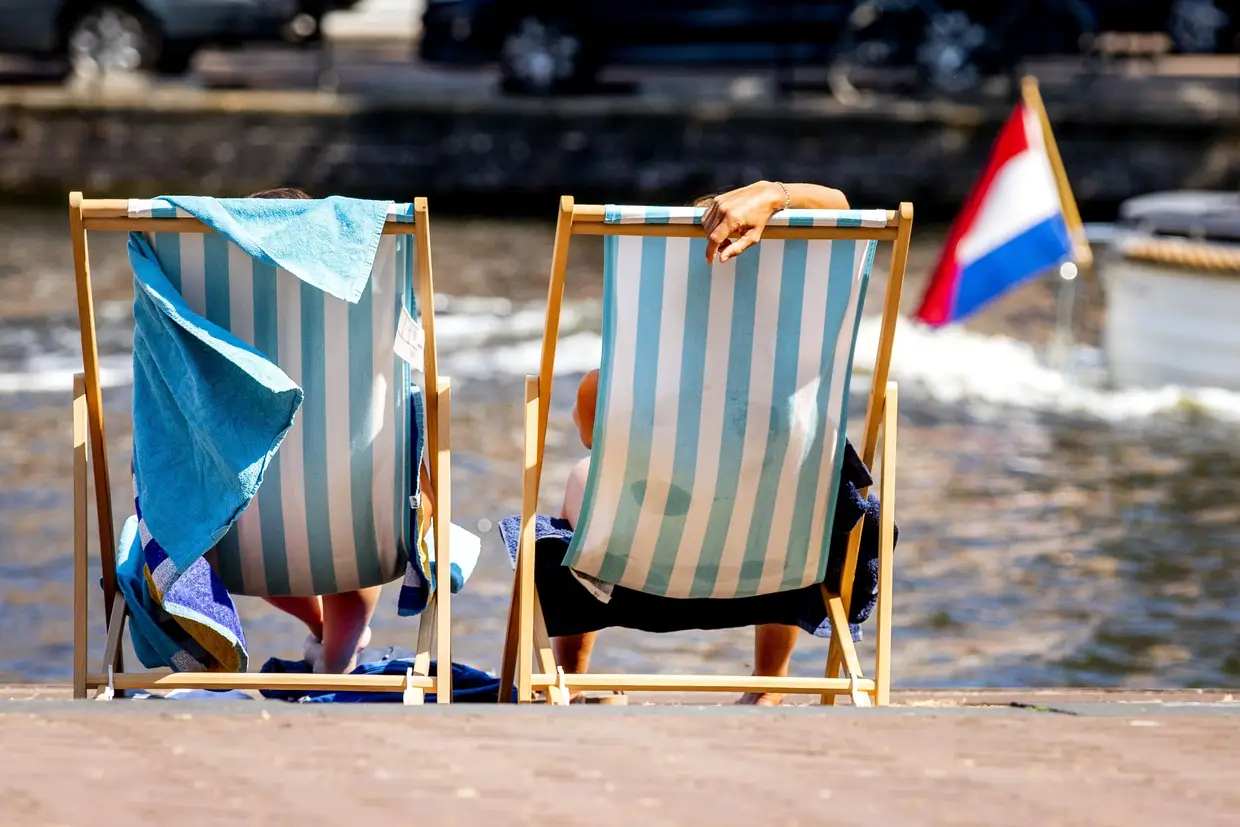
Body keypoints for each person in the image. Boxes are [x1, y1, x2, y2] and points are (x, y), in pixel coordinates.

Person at [553, 180, 852, 705]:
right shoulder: (798, 385)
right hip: (779, 553)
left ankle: (571, 680)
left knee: (586, 476)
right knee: (797, 478)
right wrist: (775, 195)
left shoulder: (620, 383)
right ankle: (769, 683)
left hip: (647, 547)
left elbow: (592, 436)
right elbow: (843, 210)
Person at [232, 186, 436, 674]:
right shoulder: (363, 307)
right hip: (357, 496)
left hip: (239, 507)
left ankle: (328, 641)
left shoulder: (220, 302)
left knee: (249, 533)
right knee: (356, 523)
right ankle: (336, 660)